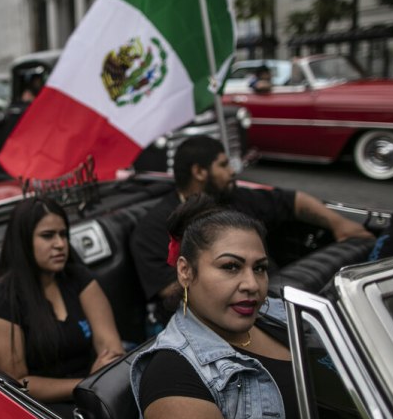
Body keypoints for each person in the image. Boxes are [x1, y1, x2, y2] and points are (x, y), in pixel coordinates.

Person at [130, 196, 314, 419]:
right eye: (231, 267)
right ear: (185, 272)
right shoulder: (173, 373)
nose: (252, 284)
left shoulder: (275, 313)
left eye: (260, 268)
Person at [131, 135, 373, 323]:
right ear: (199, 172)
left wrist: (340, 224)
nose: (232, 171)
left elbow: (294, 201)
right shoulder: (155, 228)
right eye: (223, 164)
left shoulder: (236, 197)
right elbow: (170, 290)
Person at [0, 197, 125, 414]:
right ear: (23, 241)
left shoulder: (77, 277)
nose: (60, 244)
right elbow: (17, 384)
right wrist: (86, 385)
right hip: (45, 413)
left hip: (98, 390)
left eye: (63, 234)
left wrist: (98, 382)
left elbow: (111, 348)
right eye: (47, 236)